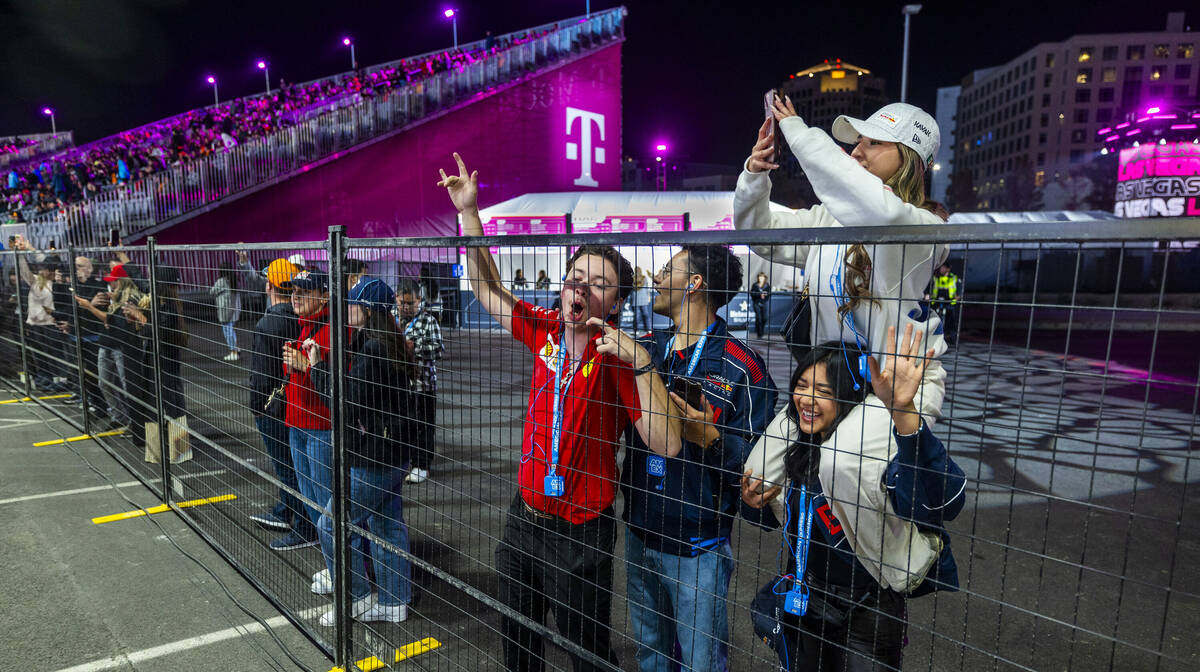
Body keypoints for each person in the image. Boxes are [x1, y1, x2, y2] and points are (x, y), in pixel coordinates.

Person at [439, 151, 680, 672]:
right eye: (575, 276)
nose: (580, 288)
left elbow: (668, 444)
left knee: (584, 651)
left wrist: (641, 362)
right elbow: (486, 288)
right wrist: (469, 214)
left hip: (581, 533)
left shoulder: (619, 356)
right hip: (524, 518)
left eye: (598, 283)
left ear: (614, 303)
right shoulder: (546, 331)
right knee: (519, 642)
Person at [735, 101, 952, 590]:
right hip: (833, 378)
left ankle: (906, 563)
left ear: (909, 158)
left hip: (897, 384)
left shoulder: (922, 228)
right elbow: (758, 233)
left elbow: (873, 207)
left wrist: (796, 131)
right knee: (758, 471)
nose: (856, 151)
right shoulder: (830, 221)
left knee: (841, 465)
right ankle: (827, 557)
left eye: (873, 143)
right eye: (857, 141)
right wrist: (755, 175)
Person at [740, 330, 965, 671]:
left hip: (869, 609)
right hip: (808, 598)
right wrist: (751, 502)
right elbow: (771, 521)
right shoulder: (799, 450)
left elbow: (942, 505)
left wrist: (904, 414)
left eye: (823, 391)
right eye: (800, 387)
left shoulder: (868, 459)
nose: (805, 399)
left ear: (848, 397)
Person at [620, 245, 777, 672]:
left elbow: (761, 474)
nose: (656, 276)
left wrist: (709, 438)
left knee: (701, 664)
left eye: (668, 269)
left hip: (697, 547)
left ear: (694, 285)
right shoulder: (645, 350)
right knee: (651, 657)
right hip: (639, 531)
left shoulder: (744, 368)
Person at [307, 277, 415, 626]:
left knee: (331, 524)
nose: (347, 309)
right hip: (395, 453)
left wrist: (317, 368)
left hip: (375, 457)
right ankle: (393, 601)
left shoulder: (373, 349)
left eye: (353, 304)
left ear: (367, 310)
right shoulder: (390, 343)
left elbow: (346, 404)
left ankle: (354, 598)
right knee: (386, 525)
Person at [244, 258, 316, 550]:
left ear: (270, 285)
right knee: (295, 467)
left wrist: (257, 406)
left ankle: (302, 527)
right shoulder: (300, 317)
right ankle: (287, 510)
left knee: (288, 468)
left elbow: (261, 377)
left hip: (272, 407)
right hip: (295, 404)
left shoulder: (268, 322)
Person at [277, 270, 333, 552]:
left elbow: (338, 388)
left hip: (320, 427)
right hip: (298, 424)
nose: (295, 296)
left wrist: (306, 364)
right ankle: (332, 563)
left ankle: (348, 571)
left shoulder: (334, 330)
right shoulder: (306, 326)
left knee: (326, 504)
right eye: (293, 290)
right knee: (311, 500)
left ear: (324, 295)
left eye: (304, 291)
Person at [395, 278, 444, 484]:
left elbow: (438, 350)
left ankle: (422, 464)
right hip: (398, 385)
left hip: (423, 386)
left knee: (423, 427)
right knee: (403, 426)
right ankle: (405, 462)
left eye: (410, 303)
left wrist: (413, 348)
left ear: (419, 300)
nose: (405, 308)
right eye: (402, 303)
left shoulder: (428, 321)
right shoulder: (392, 319)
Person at [210, 262, 242, 361]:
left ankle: (233, 352)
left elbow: (212, 292)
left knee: (227, 331)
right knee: (230, 330)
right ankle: (235, 349)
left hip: (226, 311)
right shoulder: (234, 280)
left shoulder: (221, 281)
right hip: (235, 309)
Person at [929, 263, 960, 345]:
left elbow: (959, 290)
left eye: (943, 268)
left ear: (948, 269)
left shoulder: (953, 278)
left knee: (951, 320)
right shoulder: (936, 278)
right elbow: (931, 289)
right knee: (935, 319)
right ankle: (934, 337)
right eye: (941, 268)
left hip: (950, 302)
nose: (941, 269)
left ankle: (951, 338)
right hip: (937, 302)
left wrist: (958, 296)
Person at [751, 271, 771, 339]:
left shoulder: (767, 285)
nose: (761, 278)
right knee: (758, 318)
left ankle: (761, 331)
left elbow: (769, 294)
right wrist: (760, 294)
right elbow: (752, 294)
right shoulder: (755, 285)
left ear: (765, 278)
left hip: (764, 303)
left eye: (762, 277)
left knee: (764, 318)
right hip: (756, 303)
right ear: (758, 278)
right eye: (760, 277)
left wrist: (765, 295)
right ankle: (759, 334)